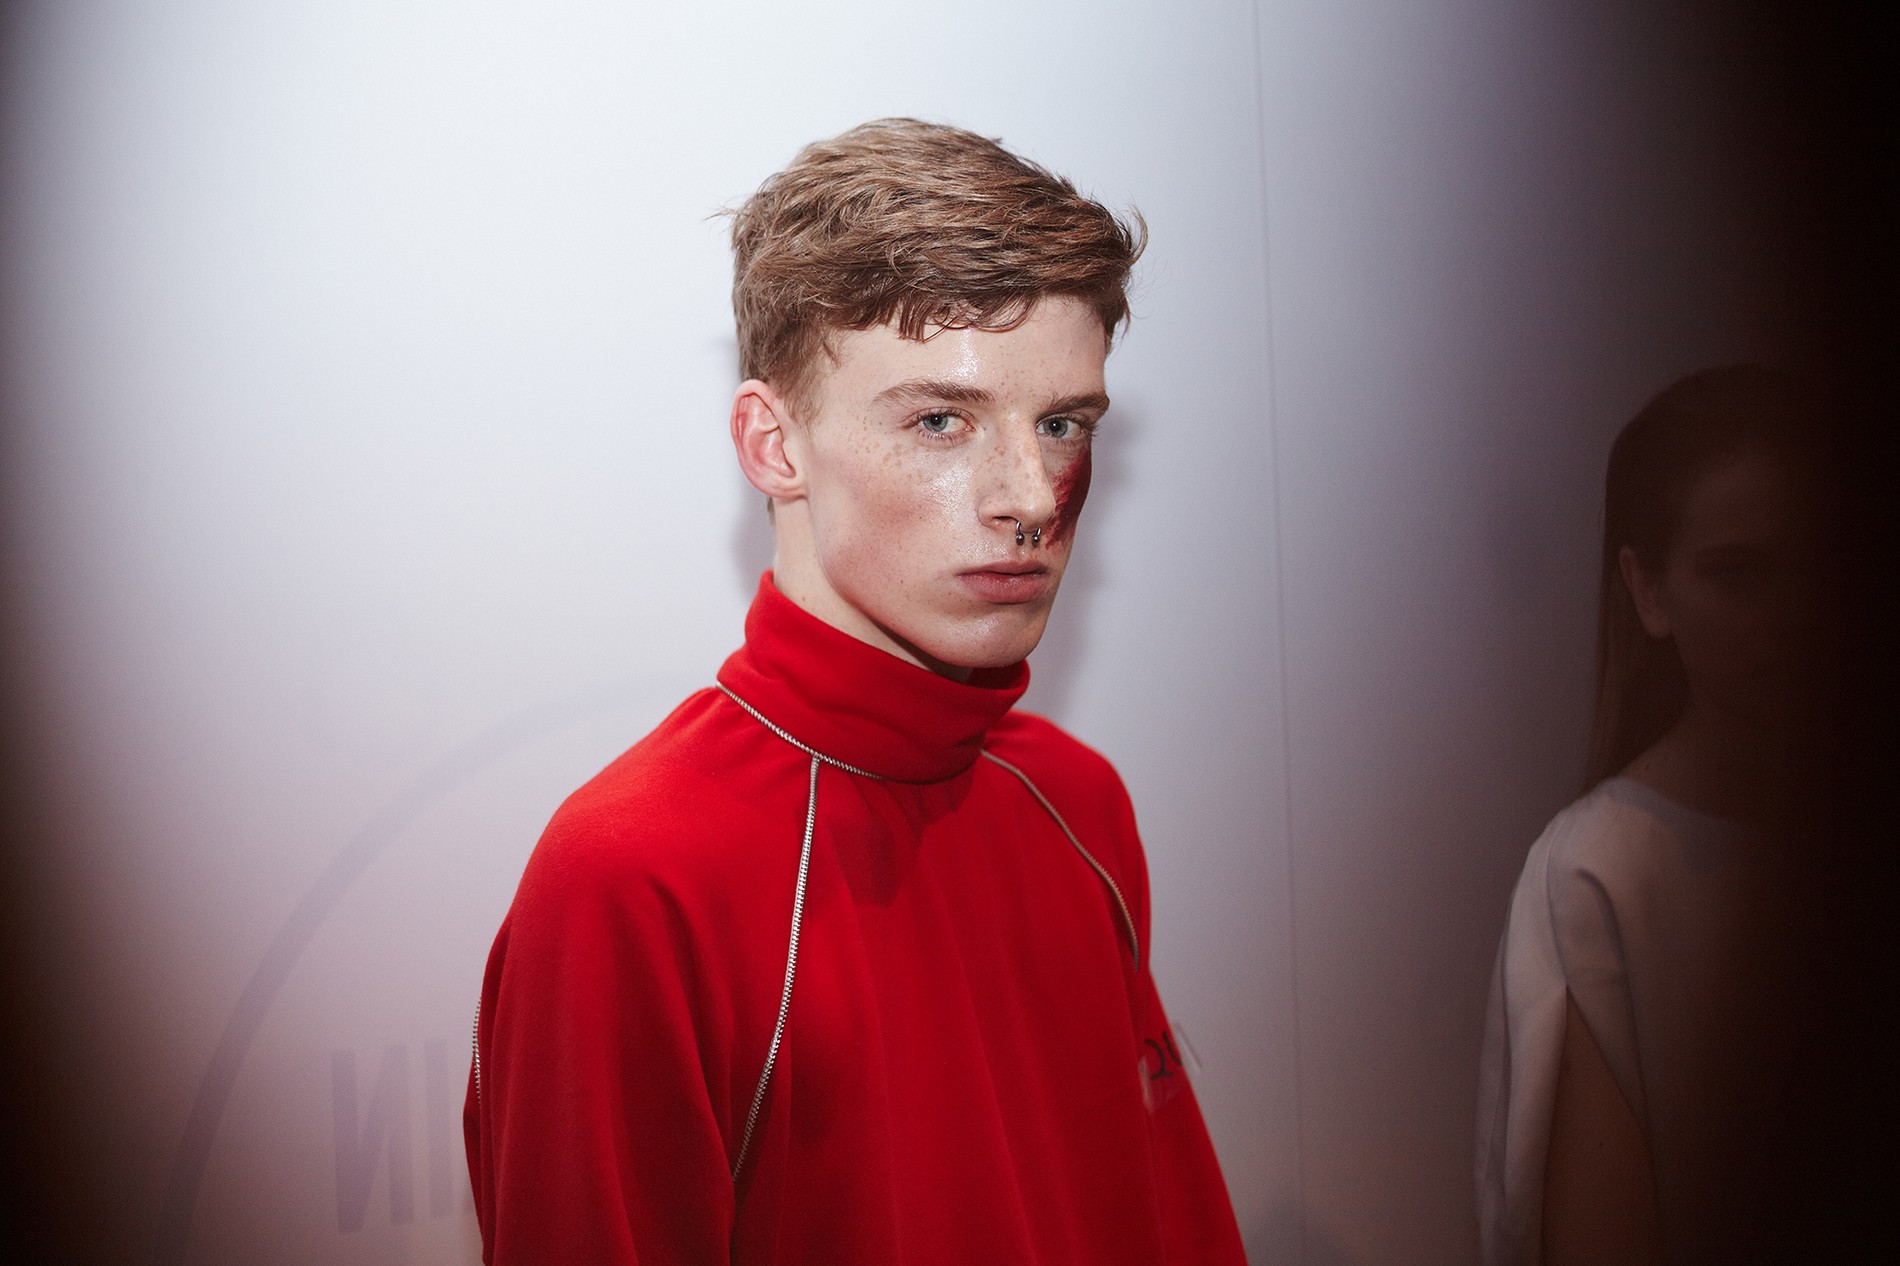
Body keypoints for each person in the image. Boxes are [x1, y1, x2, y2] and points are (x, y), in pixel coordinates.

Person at [463, 119, 1246, 1263]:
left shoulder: (1079, 805)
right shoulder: (632, 879)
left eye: (1061, 424)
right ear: (772, 444)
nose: (1031, 496)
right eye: (940, 421)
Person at [1474, 366, 1867, 1264]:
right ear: (1648, 590)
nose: (1794, 617)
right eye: (1741, 575)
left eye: (1820, 565)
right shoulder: (1600, 873)